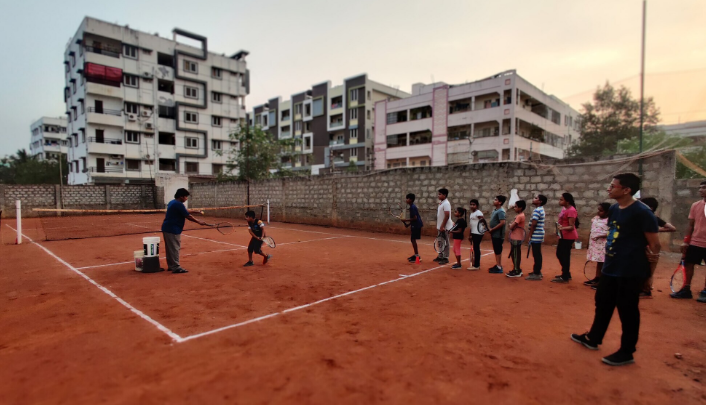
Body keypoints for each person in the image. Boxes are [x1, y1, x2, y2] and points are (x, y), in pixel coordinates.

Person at [571, 173, 660, 366]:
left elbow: (654, 246)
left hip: (630, 270)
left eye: (613, 186)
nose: (609, 189)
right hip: (611, 267)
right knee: (602, 303)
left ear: (626, 190)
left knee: (628, 310)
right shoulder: (614, 209)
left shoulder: (642, 212)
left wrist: (647, 274)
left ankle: (627, 351)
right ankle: (593, 338)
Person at [671, 180, 706, 302]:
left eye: (704, 188)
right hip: (695, 242)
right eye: (700, 188)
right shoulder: (696, 205)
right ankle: (686, 289)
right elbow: (691, 225)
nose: (700, 190)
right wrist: (686, 241)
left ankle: (705, 291)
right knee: (688, 265)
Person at [161, 188, 208, 274]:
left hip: (167, 228)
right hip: (172, 229)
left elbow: (184, 211)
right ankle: (176, 267)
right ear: (181, 196)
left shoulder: (173, 202)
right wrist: (199, 222)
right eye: (185, 196)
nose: (186, 198)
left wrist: (196, 211)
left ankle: (171, 266)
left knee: (170, 249)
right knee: (175, 248)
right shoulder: (178, 204)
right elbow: (188, 216)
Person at [639, 197, 676, 298]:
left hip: (649, 248)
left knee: (648, 270)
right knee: (644, 269)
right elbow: (671, 228)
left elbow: (672, 228)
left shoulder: (651, 218)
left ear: (650, 207)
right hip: (645, 247)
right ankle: (643, 289)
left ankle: (646, 291)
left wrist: (653, 230)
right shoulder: (649, 217)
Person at [552, 193, 579, 283]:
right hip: (563, 235)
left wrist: (562, 228)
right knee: (561, 254)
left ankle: (565, 275)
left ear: (567, 201)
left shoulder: (571, 210)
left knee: (564, 255)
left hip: (568, 236)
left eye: (561, 199)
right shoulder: (565, 209)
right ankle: (566, 273)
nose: (560, 201)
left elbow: (571, 226)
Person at [584, 203, 611, 288]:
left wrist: (600, 235)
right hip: (595, 245)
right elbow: (592, 230)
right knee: (599, 262)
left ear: (607, 212)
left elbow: (611, 232)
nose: (599, 212)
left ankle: (602, 281)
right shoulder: (595, 218)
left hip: (604, 244)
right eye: (598, 210)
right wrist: (588, 242)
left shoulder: (610, 220)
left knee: (603, 262)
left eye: (601, 211)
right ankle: (597, 277)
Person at [526, 194, 547, 281]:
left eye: (536, 198)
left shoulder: (537, 210)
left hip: (536, 234)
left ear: (540, 201)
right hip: (538, 234)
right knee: (537, 253)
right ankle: (536, 271)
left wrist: (530, 235)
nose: (533, 199)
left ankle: (537, 273)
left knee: (536, 253)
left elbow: (534, 224)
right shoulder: (539, 209)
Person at [506, 200, 527, 278]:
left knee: (515, 255)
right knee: (514, 254)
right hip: (516, 237)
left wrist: (510, 225)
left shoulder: (519, 216)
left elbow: (512, 226)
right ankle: (516, 269)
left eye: (516, 207)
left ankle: (517, 270)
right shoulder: (521, 215)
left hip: (516, 238)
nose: (514, 208)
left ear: (520, 208)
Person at [487, 195, 507, 274]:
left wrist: (493, 229)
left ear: (500, 202)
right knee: (496, 249)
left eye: (495, 200)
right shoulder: (495, 210)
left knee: (498, 250)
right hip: (494, 234)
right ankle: (498, 265)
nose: (494, 201)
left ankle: (499, 266)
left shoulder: (501, 211)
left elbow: (502, 222)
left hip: (498, 235)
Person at [401, 193, 423, 263]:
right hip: (415, 224)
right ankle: (416, 255)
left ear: (411, 200)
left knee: (413, 239)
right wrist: (408, 224)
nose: (406, 200)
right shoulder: (412, 206)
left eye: (407, 198)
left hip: (416, 225)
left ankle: (417, 256)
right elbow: (413, 218)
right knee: (412, 239)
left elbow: (415, 218)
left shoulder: (412, 207)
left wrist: (406, 220)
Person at [434, 188, 453, 265]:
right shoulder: (441, 203)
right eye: (438, 194)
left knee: (445, 242)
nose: (438, 195)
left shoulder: (446, 203)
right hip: (440, 226)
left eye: (440, 194)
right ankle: (440, 255)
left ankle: (445, 257)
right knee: (440, 241)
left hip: (444, 227)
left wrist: (442, 226)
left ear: (444, 195)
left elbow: (447, 215)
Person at [467, 199, 484, 270]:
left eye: (474, 205)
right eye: (471, 204)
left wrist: (482, 230)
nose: (472, 206)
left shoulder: (478, 213)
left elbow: (483, 221)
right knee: (475, 247)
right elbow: (471, 225)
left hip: (478, 233)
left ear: (477, 206)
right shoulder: (471, 214)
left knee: (476, 248)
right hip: (473, 232)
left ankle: (477, 265)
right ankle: (475, 263)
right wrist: (470, 234)